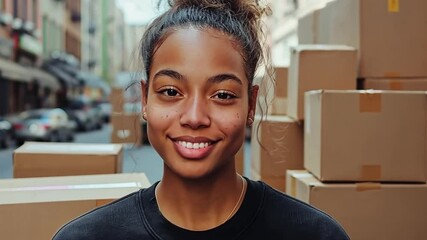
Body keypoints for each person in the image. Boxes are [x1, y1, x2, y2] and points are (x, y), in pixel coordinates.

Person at [53, 0, 350, 239]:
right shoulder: (87, 236)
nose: (195, 117)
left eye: (222, 95)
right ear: (145, 100)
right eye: (170, 91)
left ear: (250, 105)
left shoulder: (314, 234)